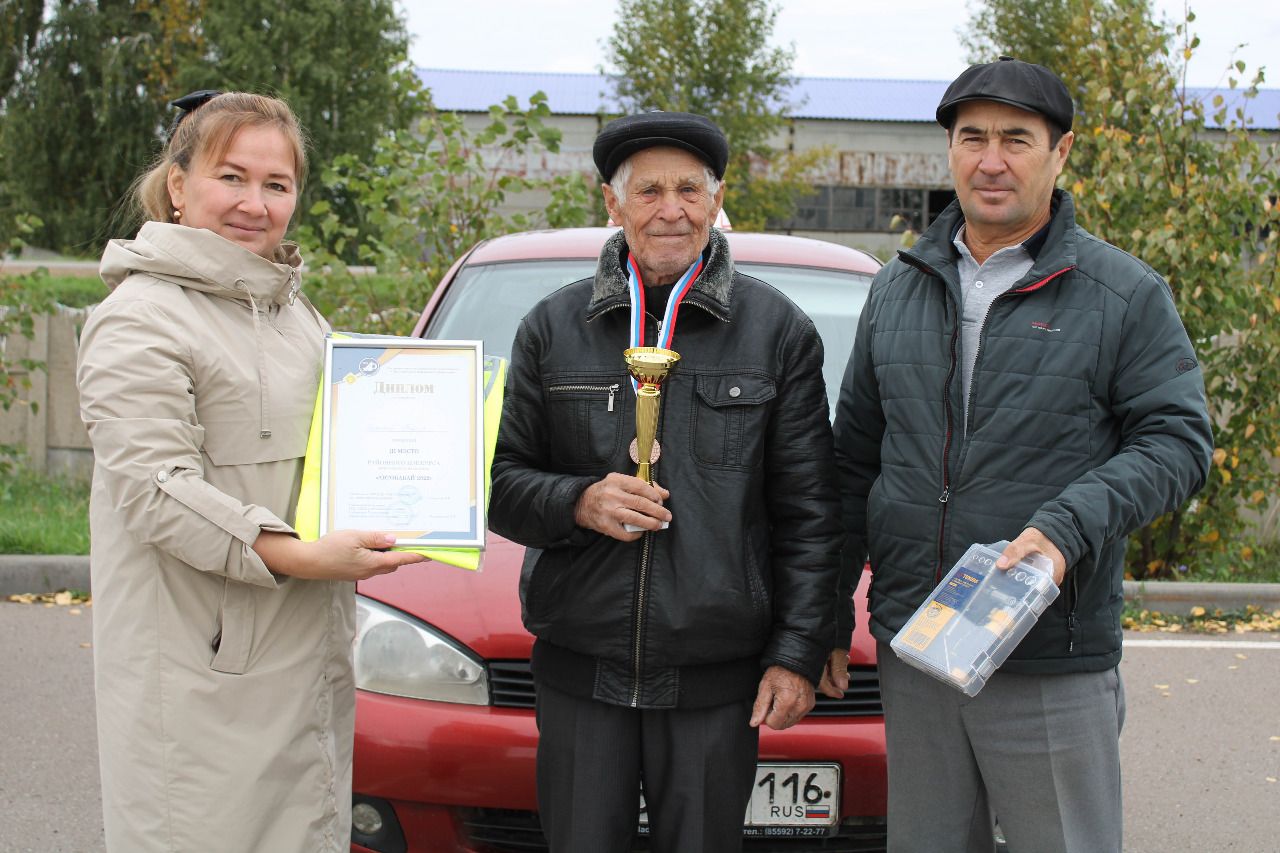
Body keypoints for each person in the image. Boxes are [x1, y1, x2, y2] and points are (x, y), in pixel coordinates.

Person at [832, 57, 1214, 853]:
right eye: (973, 138)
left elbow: (1178, 442)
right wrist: (828, 614)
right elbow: (852, 464)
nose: (991, 159)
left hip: (1048, 656)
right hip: (920, 649)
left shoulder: (1122, 293)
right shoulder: (897, 289)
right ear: (950, 151)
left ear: (1061, 152)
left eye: (1016, 138)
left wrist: (1068, 526)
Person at [76, 91, 425, 852]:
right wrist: (300, 555)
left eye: (277, 184)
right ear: (178, 184)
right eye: (231, 177)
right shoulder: (141, 315)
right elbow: (153, 487)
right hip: (202, 673)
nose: (254, 204)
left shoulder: (292, 313)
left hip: (302, 659)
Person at [488, 111, 843, 852]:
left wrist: (797, 651)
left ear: (717, 201)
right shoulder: (551, 330)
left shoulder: (778, 332)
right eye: (648, 190)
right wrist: (578, 500)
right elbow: (500, 485)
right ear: (613, 206)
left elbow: (811, 512)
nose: (671, 208)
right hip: (582, 675)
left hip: (715, 680)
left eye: (689, 189)